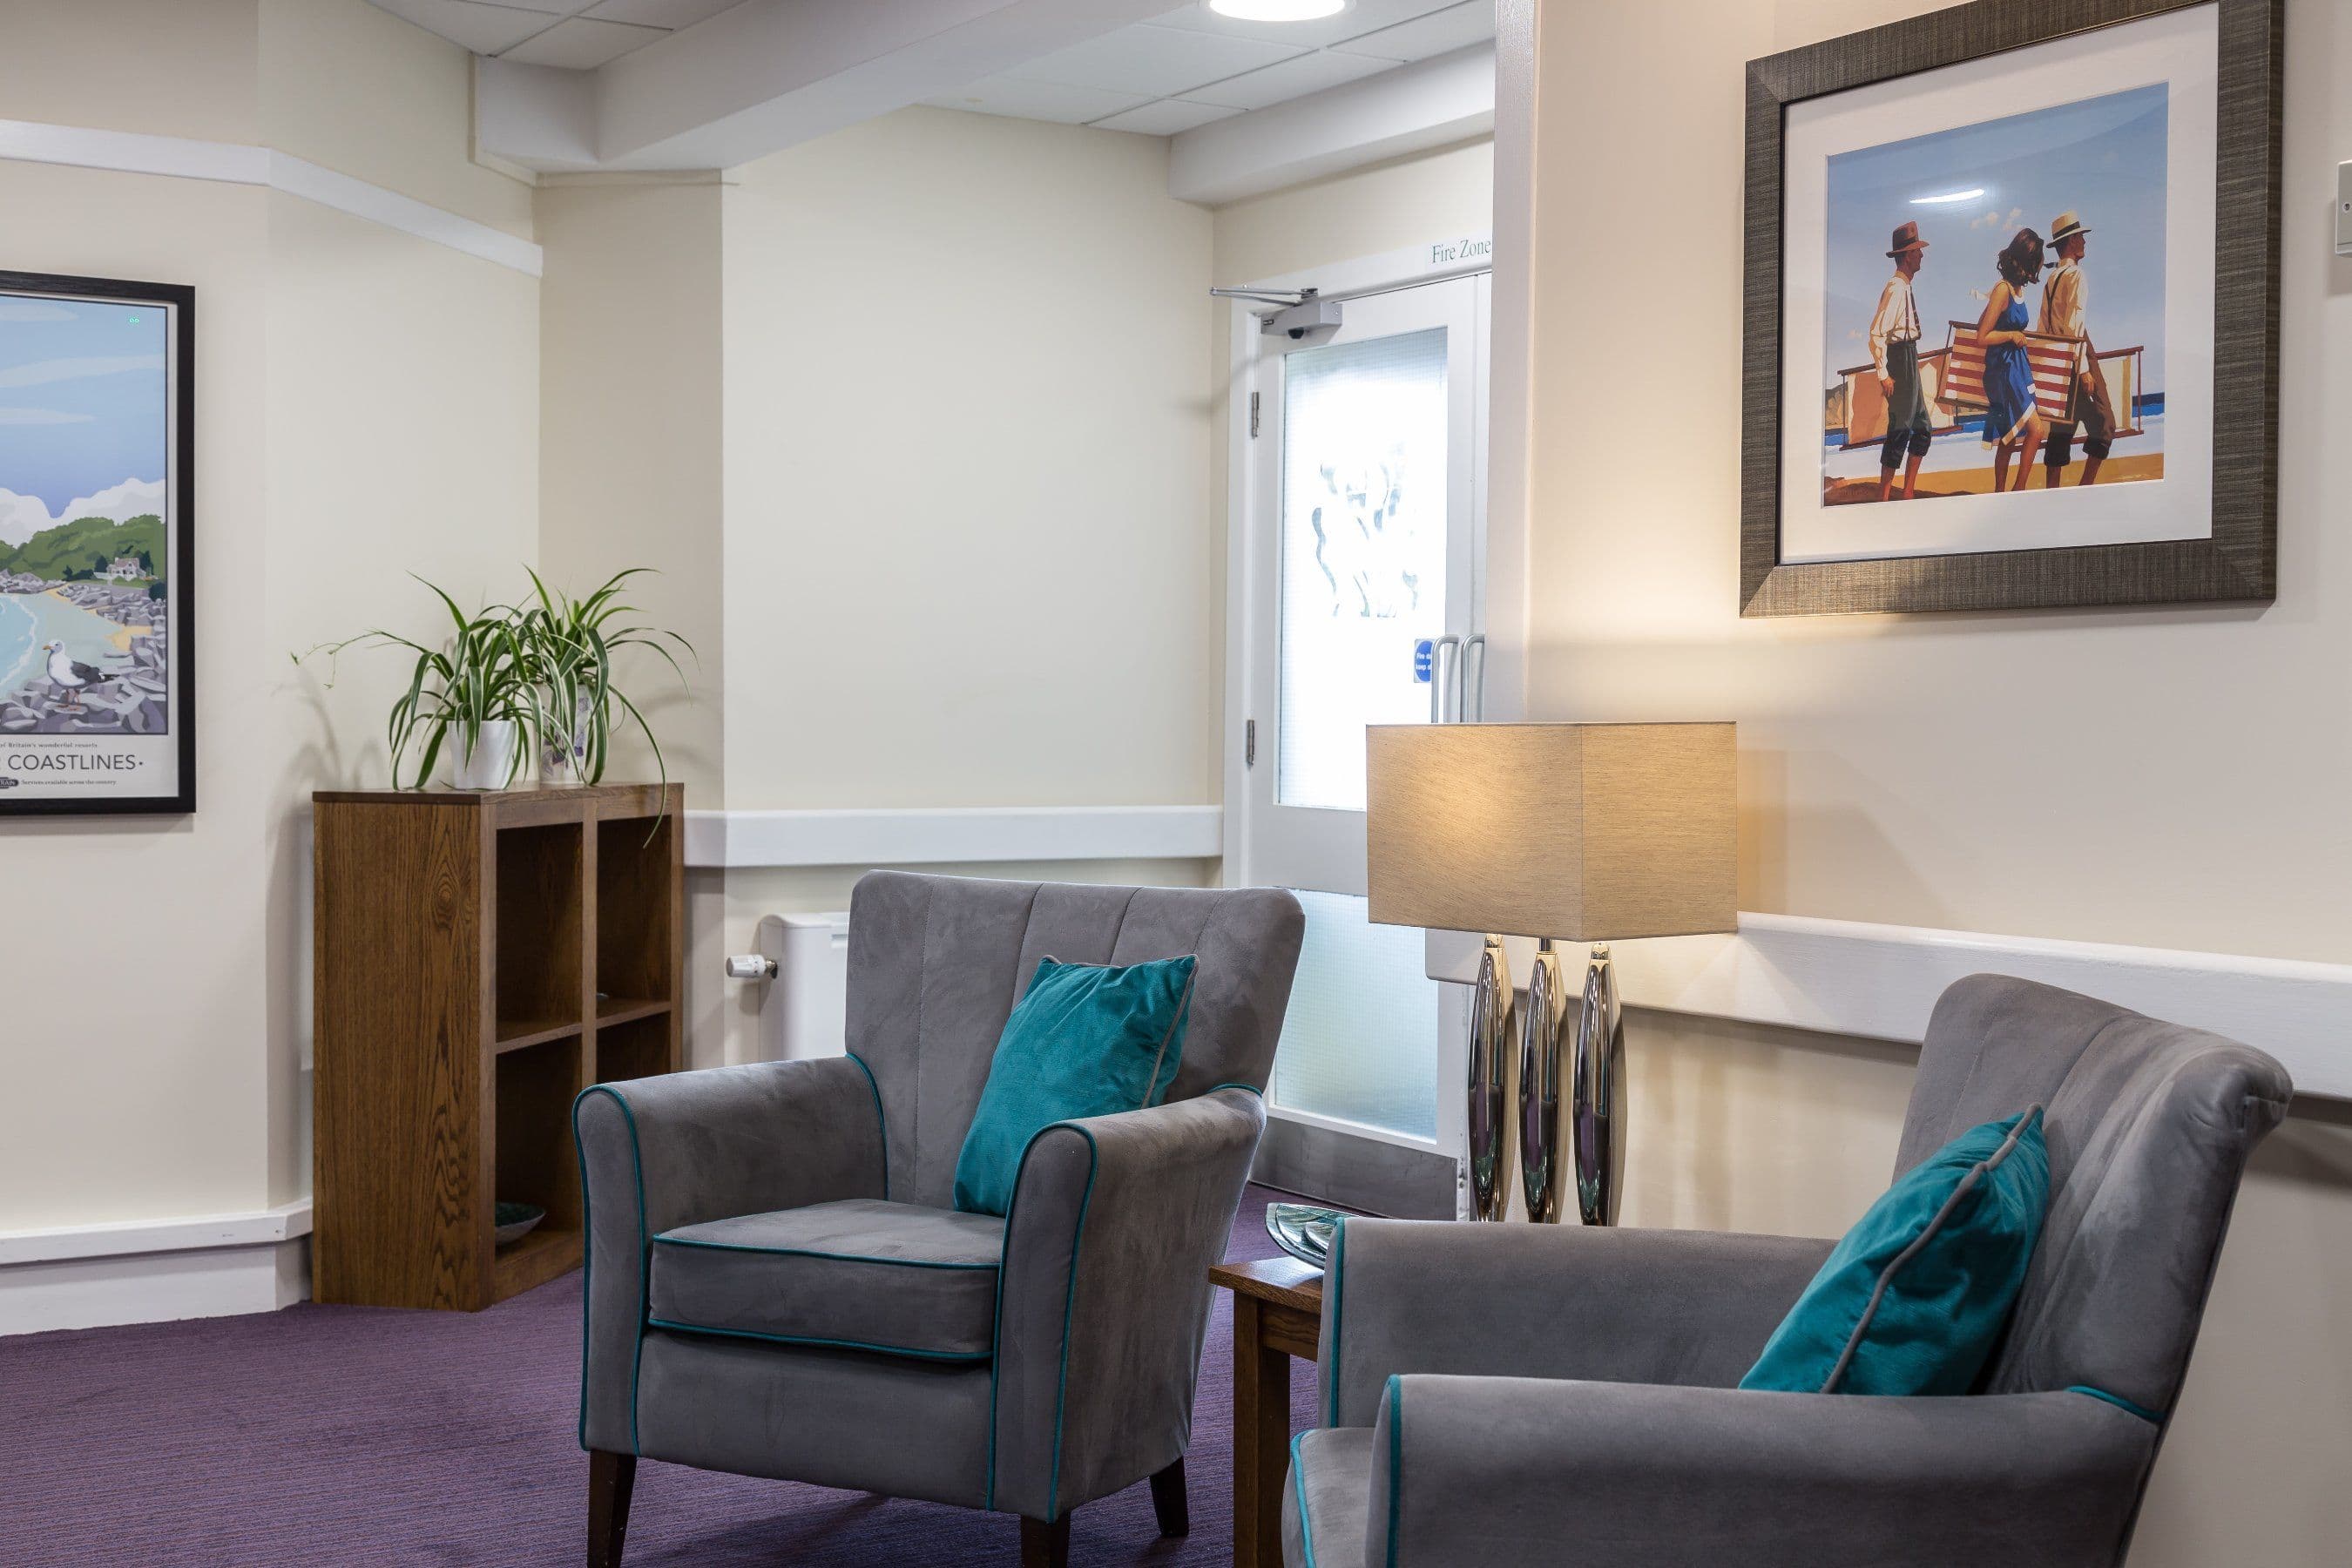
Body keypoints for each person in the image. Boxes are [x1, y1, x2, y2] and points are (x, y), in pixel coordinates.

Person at [2037, 211, 2113, 487]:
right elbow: (2075, 326)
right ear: (2071, 242)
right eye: (2081, 237)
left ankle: (2053, 494)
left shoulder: (2051, 279)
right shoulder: (2076, 276)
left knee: (2062, 427)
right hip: (2076, 352)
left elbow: (2043, 327)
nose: (2084, 242)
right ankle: (2085, 489)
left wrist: (2048, 365)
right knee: (2105, 425)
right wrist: (2083, 370)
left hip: (2057, 358)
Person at [1869, 220, 1934, 502]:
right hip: (1899, 360)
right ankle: (1884, 497)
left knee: (1922, 429)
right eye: (1918, 251)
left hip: (1910, 356)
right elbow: (1876, 334)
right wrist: (1883, 373)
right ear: (1907, 255)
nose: (1922, 255)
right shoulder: (1895, 288)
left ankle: (1907, 491)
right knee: (1900, 429)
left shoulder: (1905, 287)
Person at [1977, 227, 2046, 491]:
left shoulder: (2015, 289)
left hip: (2016, 367)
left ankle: (2001, 493)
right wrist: (2010, 335)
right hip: (2004, 372)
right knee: (2036, 431)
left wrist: (2010, 333)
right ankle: (2019, 490)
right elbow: (1982, 336)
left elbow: (1983, 323)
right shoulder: (2003, 290)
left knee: (2008, 439)